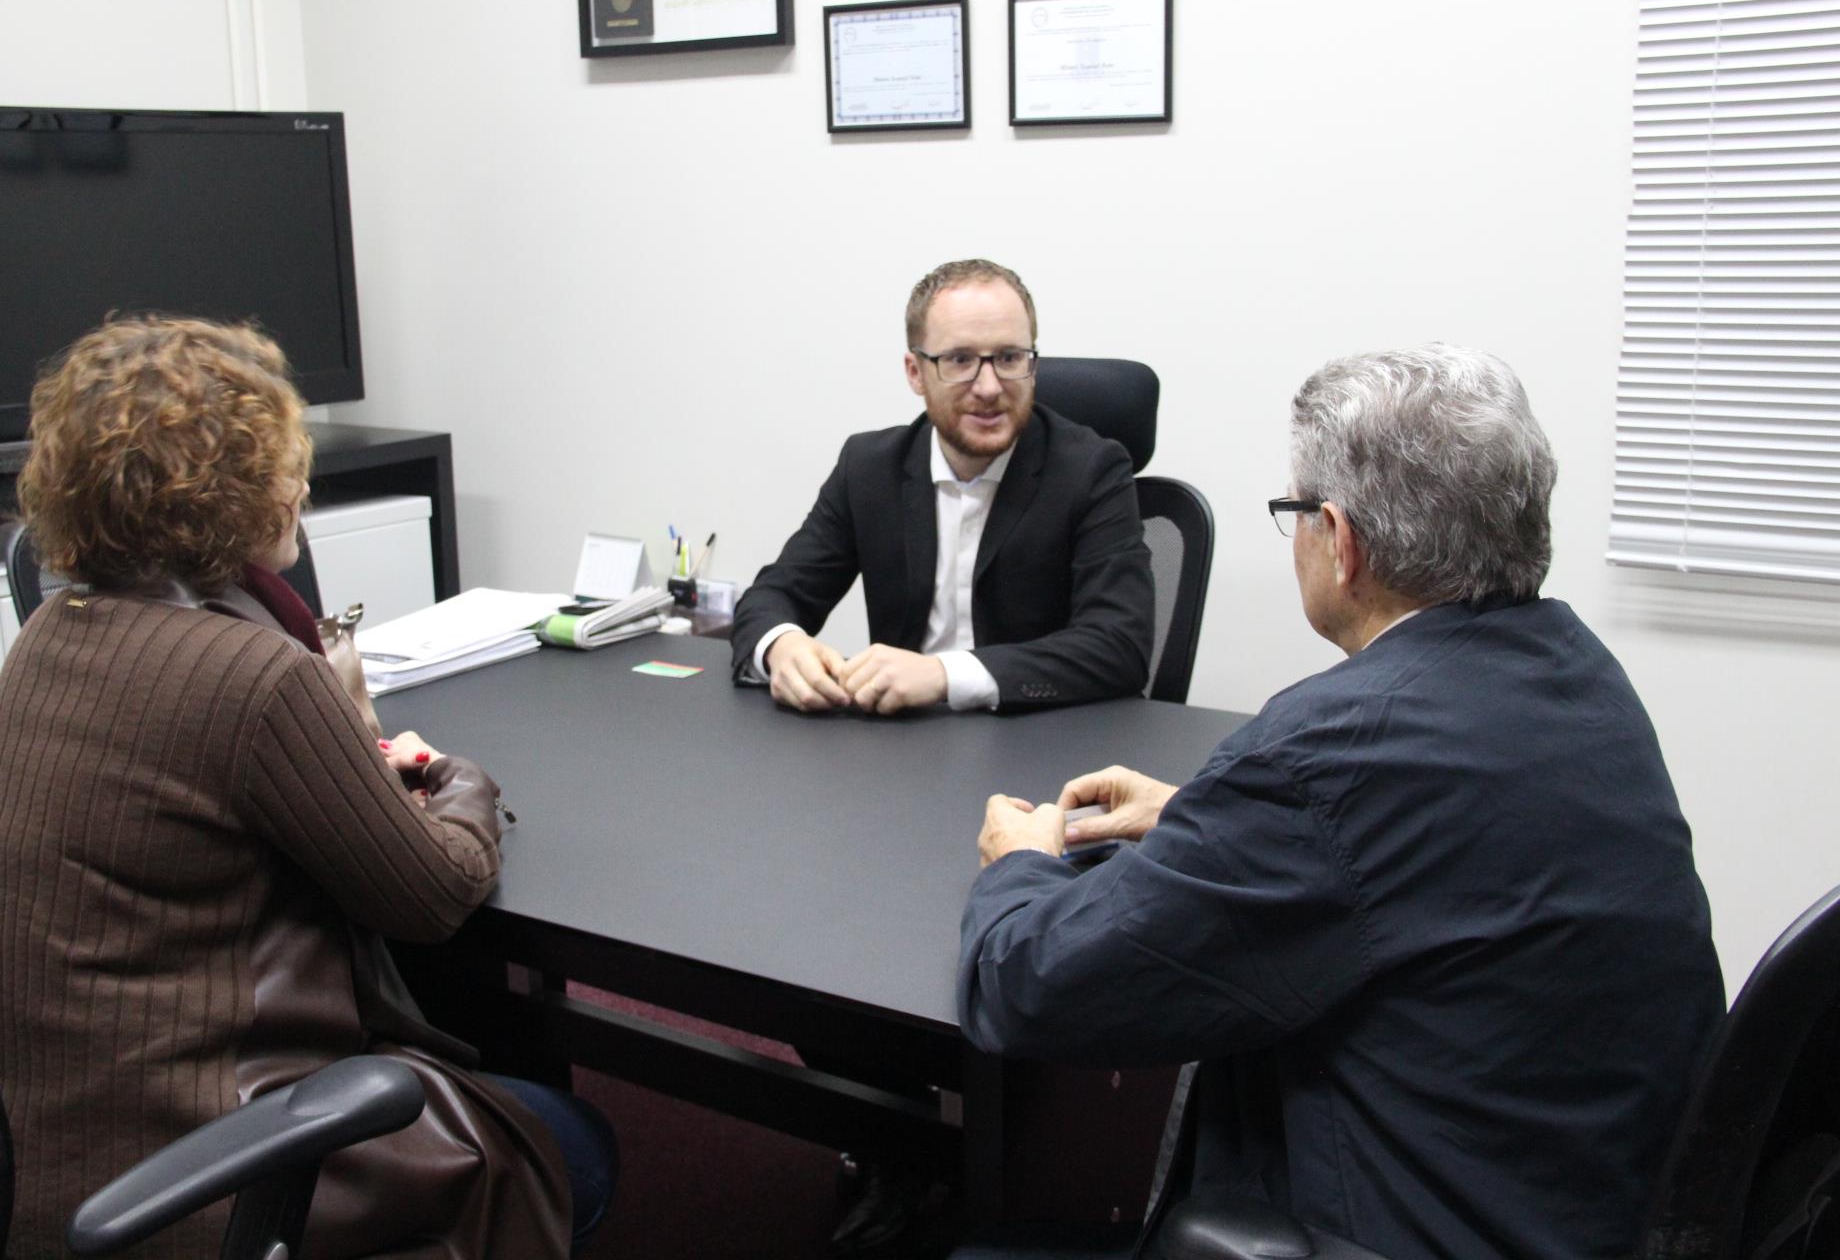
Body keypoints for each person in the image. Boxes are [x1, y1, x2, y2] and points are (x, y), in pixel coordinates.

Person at [956, 345, 1724, 1260]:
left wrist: (1024, 863)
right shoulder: (1582, 678)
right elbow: (1437, 850)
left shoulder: (1332, 751)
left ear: (1341, 539)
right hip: (1595, 1193)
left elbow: (1033, 987)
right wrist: (1204, 813)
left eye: (1297, 519)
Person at [0, 316, 614, 1258]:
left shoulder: (43, 643)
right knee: (577, 1150)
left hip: (31, 1170)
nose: (300, 482)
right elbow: (432, 894)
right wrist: (456, 777)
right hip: (205, 1175)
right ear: (220, 487)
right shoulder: (250, 674)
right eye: (280, 459)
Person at [731, 258, 1154, 714]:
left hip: (1040, 748)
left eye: (1010, 358)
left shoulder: (1092, 470)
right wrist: (782, 646)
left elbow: (1119, 645)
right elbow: (774, 596)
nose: (989, 386)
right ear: (915, 372)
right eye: (960, 360)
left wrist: (944, 674)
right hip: (903, 750)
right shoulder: (869, 468)